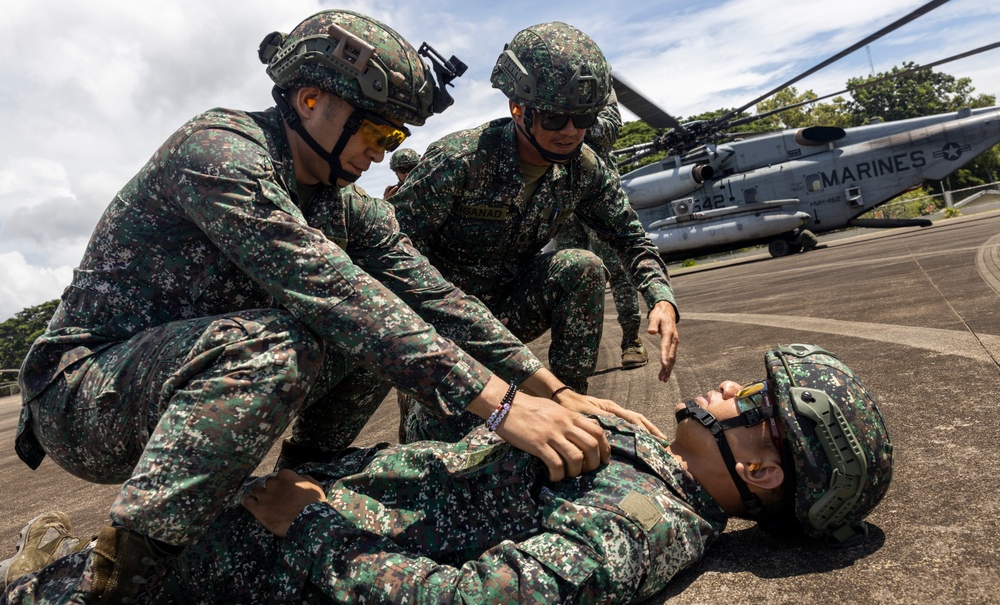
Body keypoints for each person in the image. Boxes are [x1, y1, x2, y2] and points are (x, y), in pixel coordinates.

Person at [10, 10, 649, 602]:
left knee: (384, 333)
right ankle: (121, 587)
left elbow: (435, 298)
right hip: (86, 398)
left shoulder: (345, 206)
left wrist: (551, 390)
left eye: (394, 133)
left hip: (181, 395)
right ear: (310, 100)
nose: (382, 149)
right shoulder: (218, 152)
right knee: (298, 336)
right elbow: (334, 290)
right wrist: (500, 407)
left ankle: (303, 484)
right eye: (376, 129)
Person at [2, 344, 894, 604]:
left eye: (757, 400)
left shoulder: (647, 514)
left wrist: (305, 524)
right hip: (316, 508)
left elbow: (480, 598)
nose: (732, 386)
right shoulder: (653, 463)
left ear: (766, 465)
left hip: (265, 560)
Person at [389, 21, 679, 441]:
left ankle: (569, 409)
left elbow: (631, 239)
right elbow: (386, 253)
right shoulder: (458, 162)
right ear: (517, 108)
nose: (570, 131)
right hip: (440, 324)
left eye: (582, 118)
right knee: (442, 448)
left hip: (507, 311)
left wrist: (661, 298)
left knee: (581, 266)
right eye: (555, 116)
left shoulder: (582, 170)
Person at [552, 89, 648, 370]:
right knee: (568, 274)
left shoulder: (598, 87)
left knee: (617, 268)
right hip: (561, 194)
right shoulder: (545, 87)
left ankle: (632, 340)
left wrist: (567, 120)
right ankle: (574, 355)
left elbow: (609, 129)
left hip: (598, 193)